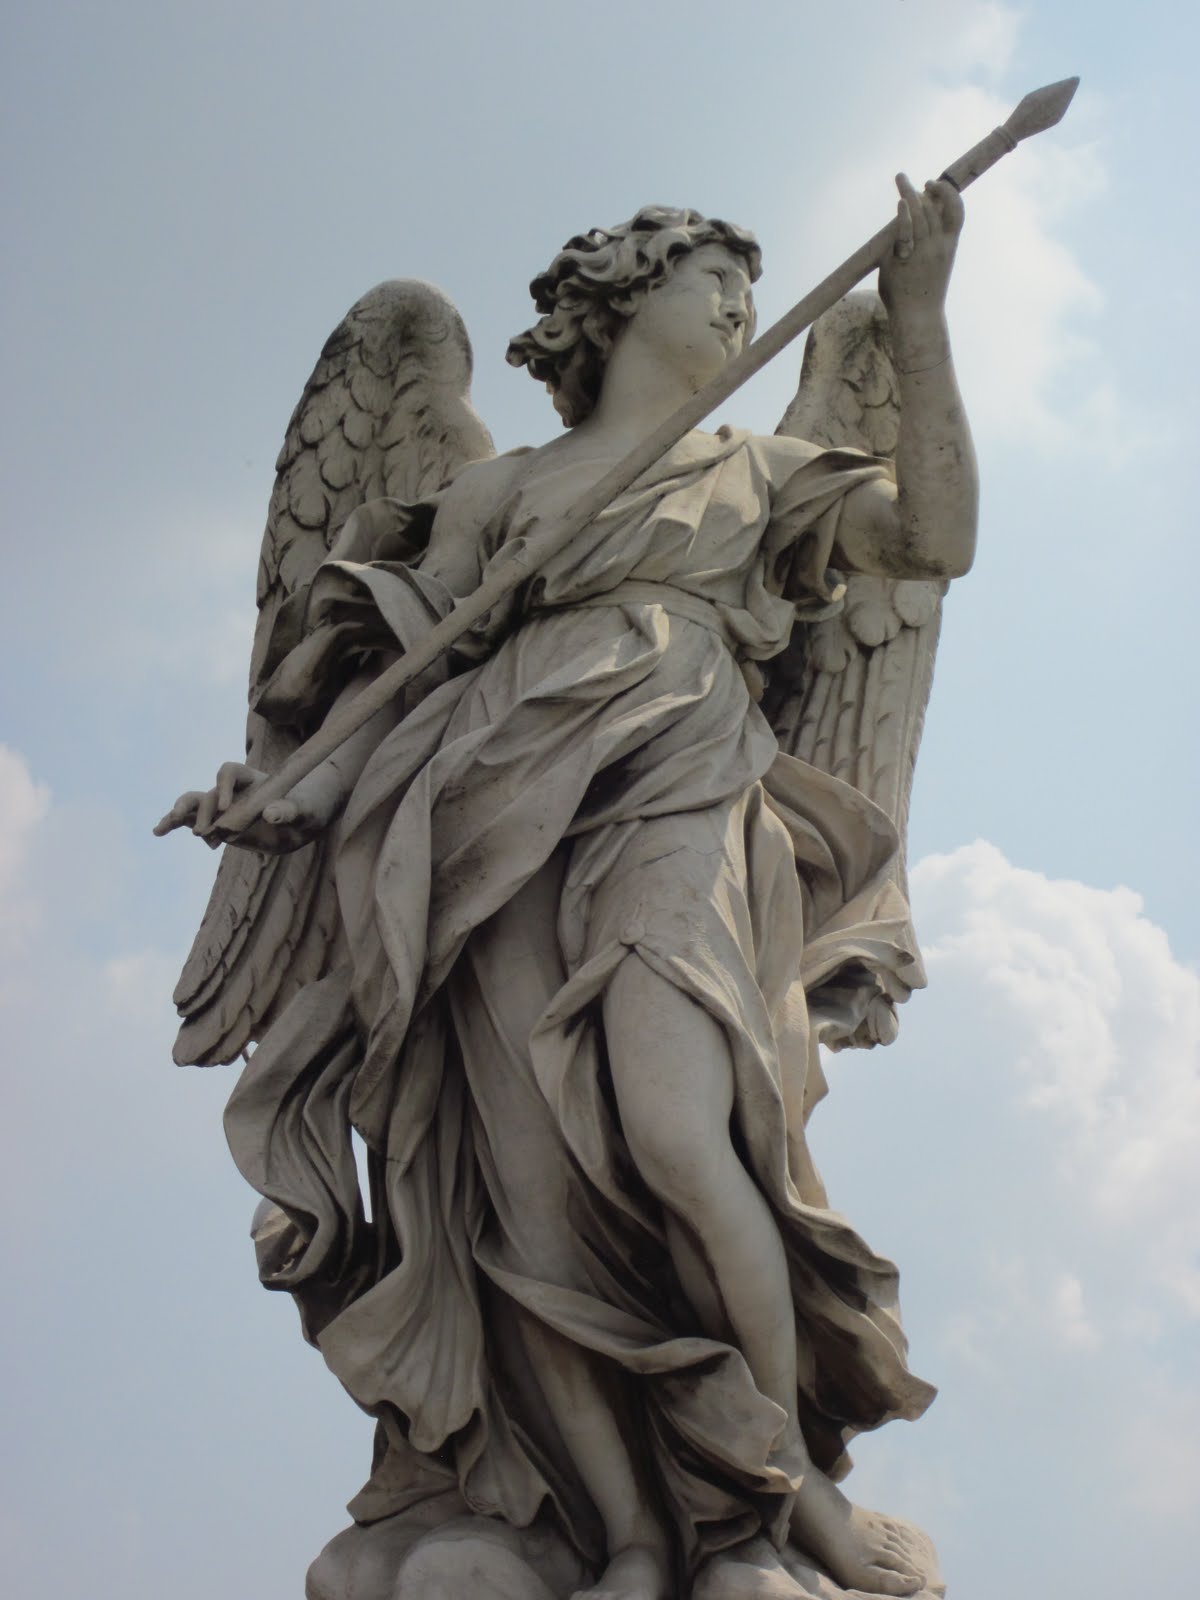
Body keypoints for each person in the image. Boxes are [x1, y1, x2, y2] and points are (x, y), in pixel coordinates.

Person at [160, 181, 977, 1600]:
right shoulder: (494, 495)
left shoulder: (763, 467)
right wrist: (283, 795)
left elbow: (935, 541)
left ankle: (775, 1496)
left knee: (678, 1129)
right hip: (482, 812)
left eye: (745, 284)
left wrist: (918, 319)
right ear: (623, 302)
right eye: (709, 278)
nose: (737, 302)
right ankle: (631, 1532)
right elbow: (392, 680)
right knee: (521, 1193)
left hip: (677, 780)